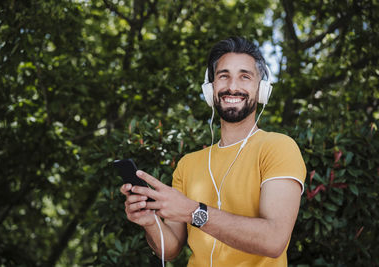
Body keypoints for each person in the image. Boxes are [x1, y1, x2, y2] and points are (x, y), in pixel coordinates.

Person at [120, 36, 306, 267]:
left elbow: (273, 240)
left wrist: (192, 211)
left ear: (262, 90)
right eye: (223, 76)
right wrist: (150, 222)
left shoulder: (278, 147)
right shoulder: (188, 165)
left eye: (245, 77)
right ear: (210, 89)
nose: (233, 87)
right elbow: (171, 249)